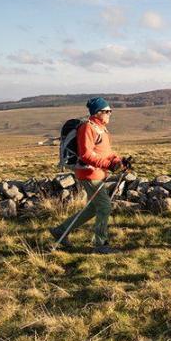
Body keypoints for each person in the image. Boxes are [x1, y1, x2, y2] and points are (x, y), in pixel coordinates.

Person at [50, 97, 129, 253]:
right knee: (104, 206)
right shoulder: (88, 128)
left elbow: (106, 152)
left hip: (97, 173)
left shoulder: (101, 129)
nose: (110, 114)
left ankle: (61, 230)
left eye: (110, 111)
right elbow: (85, 154)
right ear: (98, 112)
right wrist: (109, 165)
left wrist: (119, 161)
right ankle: (101, 244)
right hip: (89, 173)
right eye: (107, 111)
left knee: (93, 208)